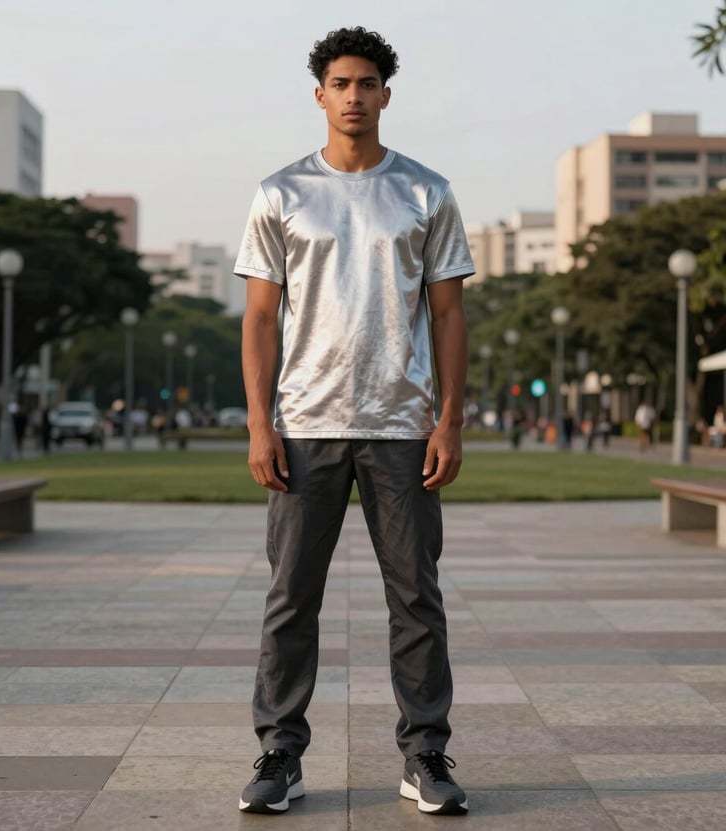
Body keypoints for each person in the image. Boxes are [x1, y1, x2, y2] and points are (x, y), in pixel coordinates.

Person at [234, 26, 474, 816]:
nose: (354, 96)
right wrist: (260, 424)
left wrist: (450, 419)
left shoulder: (426, 192)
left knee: (416, 598)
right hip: (304, 424)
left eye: (367, 83)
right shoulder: (280, 193)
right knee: (290, 598)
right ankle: (279, 753)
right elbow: (259, 318)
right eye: (340, 83)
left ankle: (425, 753)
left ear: (385, 95)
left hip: (403, 425)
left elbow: (449, 314)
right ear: (320, 95)